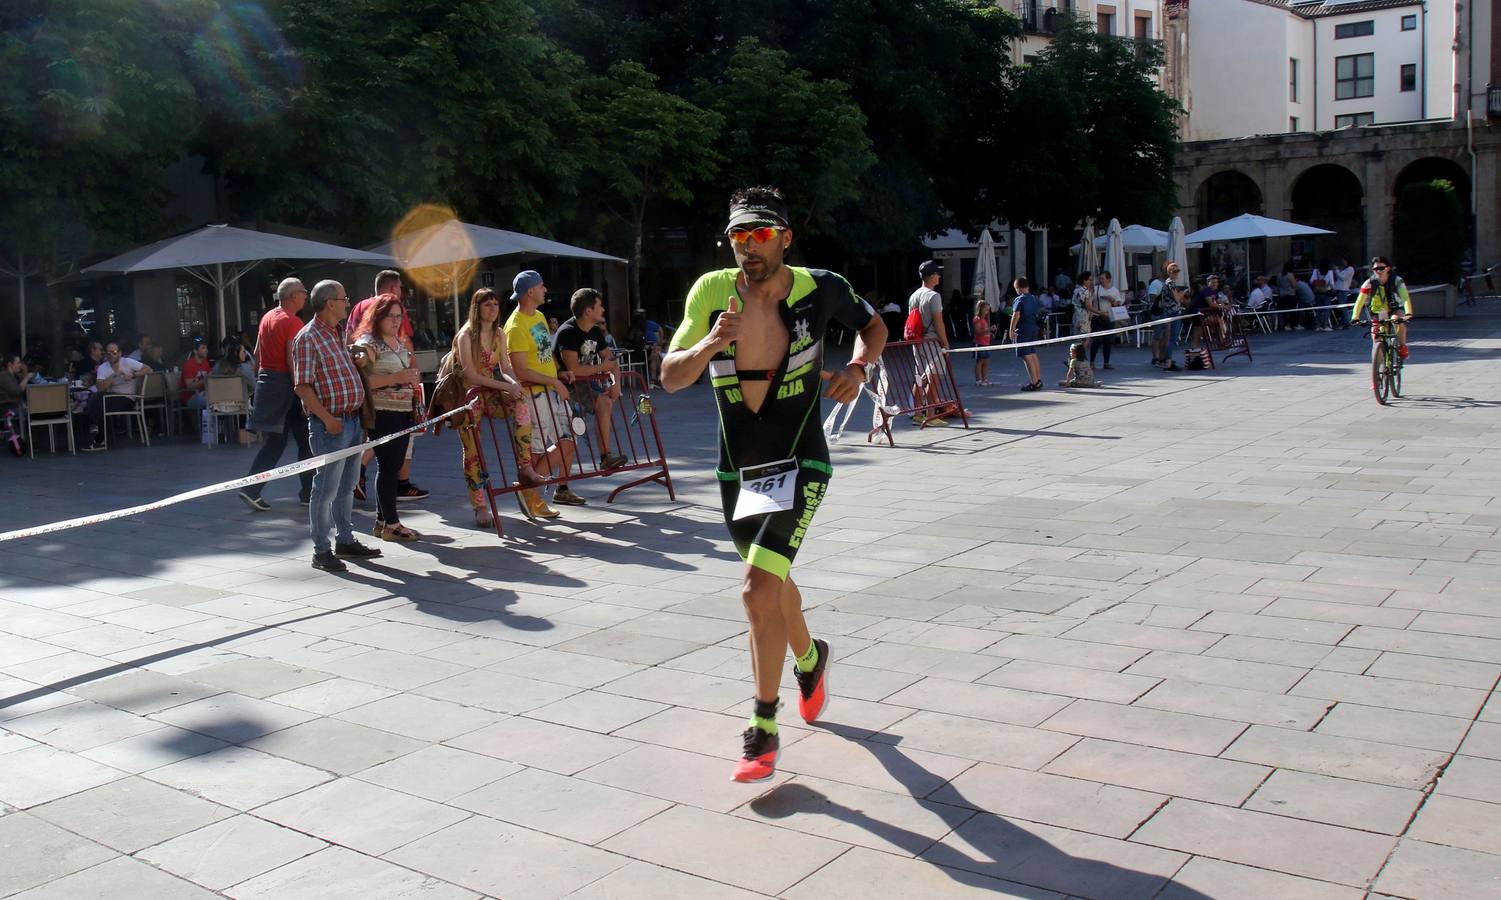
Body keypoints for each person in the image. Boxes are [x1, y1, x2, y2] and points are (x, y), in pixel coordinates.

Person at [662, 185, 886, 783]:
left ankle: (763, 727)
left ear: (785, 237)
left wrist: (859, 368)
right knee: (773, 581)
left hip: (799, 456)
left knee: (756, 590)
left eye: (759, 235)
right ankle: (811, 660)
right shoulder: (711, 292)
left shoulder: (821, 287)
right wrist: (711, 342)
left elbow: (875, 327)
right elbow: (670, 376)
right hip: (740, 466)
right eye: (738, 237)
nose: (747, 248)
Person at [293, 280, 381, 572]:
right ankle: (322, 550)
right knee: (325, 489)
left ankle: (344, 539)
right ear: (330, 303)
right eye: (344, 299)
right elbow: (303, 387)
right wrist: (328, 419)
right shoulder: (307, 338)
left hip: (353, 421)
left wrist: (354, 359)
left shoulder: (336, 333)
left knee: (347, 486)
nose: (347, 303)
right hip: (331, 425)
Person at [451, 287, 543, 529]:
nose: (493, 309)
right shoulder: (465, 336)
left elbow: (505, 367)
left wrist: (514, 384)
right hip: (468, 398)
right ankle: (480, 505)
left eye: (495, 304)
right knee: (472, 452)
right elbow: (470, 374)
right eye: (487, 305)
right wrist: (502, 384)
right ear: (477, 308)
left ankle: (525, 466)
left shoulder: (499, 334)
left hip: (488, 393)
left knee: (521, 405)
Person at [347, 271, 430, 505]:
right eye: (400, 287)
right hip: (385, 403)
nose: (396, 320)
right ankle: (392, 491)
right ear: (393, 289)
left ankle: (388, 512)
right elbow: (365, 359)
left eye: (397, 317)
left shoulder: (358, 308)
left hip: (390, 401)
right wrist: (406, 373)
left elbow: (352, 344)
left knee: (388, 456)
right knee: (389, 461)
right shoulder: (390, 309)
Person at [506, 270, 580, 515]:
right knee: (537, 448)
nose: (545, 290)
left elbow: (543, 356)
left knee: (569, 440)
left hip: (551, 392)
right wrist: (554, 381)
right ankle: (531, 495)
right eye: (541, 286)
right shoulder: (515, 326)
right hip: (534, 396)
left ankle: (529, 490)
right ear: (530, 291)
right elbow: (520, 371)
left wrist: (559, 375)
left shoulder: (538, 316)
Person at [352, 294, 423, 542]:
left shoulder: (395, 340)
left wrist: (409, 379)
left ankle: (383, 522)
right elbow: (364, 382)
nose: (395, 321)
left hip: (402, 410)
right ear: (378, 316)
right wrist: (399, 377)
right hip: (383, 412)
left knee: (393, 466)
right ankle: (392, 524)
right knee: (388, 466)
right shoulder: (369, 344)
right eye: (390, 316)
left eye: (398, 316)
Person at [239, 279, 315, 511]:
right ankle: (303, 492)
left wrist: (261, 381)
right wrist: (301, 389)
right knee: (303, 440)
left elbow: (257, 355)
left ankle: (255, 488)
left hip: (267, 382)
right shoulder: (293, 322)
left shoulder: (267, 317)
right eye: (303, 292)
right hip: (285, 385)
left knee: (282, 440)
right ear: (293, 296)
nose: (306, 297)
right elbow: (292, 359)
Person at [555, 288, 629, 471]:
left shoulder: (595, 332)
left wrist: (616, 383)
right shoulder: (568, 332)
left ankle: (606, 458)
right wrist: (601, 368)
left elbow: (610, 360)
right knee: (569, 439)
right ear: (588, 311)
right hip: (562, 388)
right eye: (600, 305)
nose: (603, 309)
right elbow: (574, 369)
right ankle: (558, 484)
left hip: (582, 385)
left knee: (605, 402)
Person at [82, 342, 153, 451]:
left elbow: (148, 369)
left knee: (97, 401)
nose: (111, 355)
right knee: (98, 400)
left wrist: (133, 375)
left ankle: (96, 434)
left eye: (114, 352)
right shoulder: (103, 367)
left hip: (128, 399)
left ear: (119, 353)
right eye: (108, 353)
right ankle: (97, 437)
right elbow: (101, 388)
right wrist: (113, 376)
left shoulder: (127, 362)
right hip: (110, 399)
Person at [907, 260, 950, 424]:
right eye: (937, 273)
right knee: (934, 377)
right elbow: (939, 322)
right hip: (932, 340)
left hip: (917, 340)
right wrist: (945, 342)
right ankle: (931, 414)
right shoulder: (934, 296)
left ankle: (918, 412)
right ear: (931, 276)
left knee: (919, 376)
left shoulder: (914, 295)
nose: (939, 276)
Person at [1351, 256, 1412, 359]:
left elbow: (1405, 297)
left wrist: (1408, 313)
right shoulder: (1369, 283)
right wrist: (1355, 317)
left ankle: (1402, 346)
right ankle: (1379, 366)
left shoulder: (1397, 280)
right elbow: (1359, 301)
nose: (1378, 271)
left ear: (1387, 268)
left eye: (1381, 268)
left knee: (1397, 321)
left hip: (1394, 308)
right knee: (1376, 335)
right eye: (1375, 269)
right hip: (1377, 311)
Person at [1007, 277, 1043, 391]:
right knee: (1033, 353)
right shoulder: (1034, 298)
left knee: (1026, 356)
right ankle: (1038, 379)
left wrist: (1011, 329)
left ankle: (1034, 381)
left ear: (1018, 288)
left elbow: (1016, 315)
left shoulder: (1019, 299)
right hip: (1033, 327)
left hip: (1023, 329)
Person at [1089, 270, 1122, 369]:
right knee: (1097, 339)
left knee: (1108, 340)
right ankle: (1092, 362)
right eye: (1100, 278)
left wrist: (1111, 300)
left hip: (1109, 317)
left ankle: (1106, 362)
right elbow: (1090, 300)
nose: (1101, 280)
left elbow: (1118, 304)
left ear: (1109, 279)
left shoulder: (1114, 290)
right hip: (1097, 317)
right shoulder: (1096, 289)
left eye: (1103, 278)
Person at [629, 310, 666, 389]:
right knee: (656, 353)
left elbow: (660, 329)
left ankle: (653, 381)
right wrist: (651, 346)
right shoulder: (636, 329)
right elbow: (639, 344)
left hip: (652, 348)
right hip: (640, 353)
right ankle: (661, 377)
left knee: (656, 353)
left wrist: (659, 343)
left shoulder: (647, 324)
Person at [179, 339, 212, 409]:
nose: (206, 350)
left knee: (221, 397)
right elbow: (190, 386)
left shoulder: (205, 363)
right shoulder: (189, 365)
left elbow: (211, 379)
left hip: (204, 394)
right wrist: (206, 380)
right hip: (190, 398)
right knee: (211, 401)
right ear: (195, 351)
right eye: (203, 348)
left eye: (206, 348)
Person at [970, 300, 992, 386]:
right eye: (985, 309)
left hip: (986, 343)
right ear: (981, 309)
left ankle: (985, 379)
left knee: (986, 361)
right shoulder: (977, 319)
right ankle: (978, 380)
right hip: (979, 343)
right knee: (980, 361)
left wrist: (989, 333)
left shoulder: (984, 319)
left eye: (988, 309)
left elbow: (984, 331)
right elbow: (978, 332)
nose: (987, 311)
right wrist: (988, 330)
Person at [1332, 256, 1356, 328]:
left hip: (1343, 289)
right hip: (1340, 289)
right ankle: (1344, 322)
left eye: (1344, 261)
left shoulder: (1350, 269)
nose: (1343, 263)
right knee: (1341, 307)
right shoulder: (1345, 269)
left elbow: (1343, 277)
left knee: (1343, 307)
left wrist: (1336, 270)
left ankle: (1347, 322)